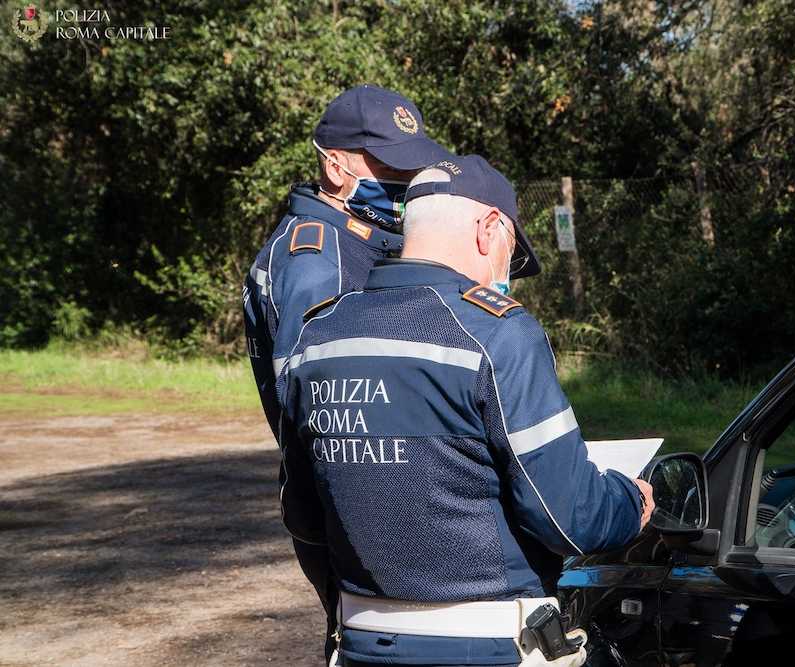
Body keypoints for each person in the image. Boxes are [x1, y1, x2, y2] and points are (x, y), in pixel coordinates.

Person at [276, 155, 656, 666]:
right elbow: (570, 520)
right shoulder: (498, 333)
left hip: (361, 644)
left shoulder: (316, 337)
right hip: (493, 644)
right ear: (489, 228)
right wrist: (631, 501)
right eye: (509, 255)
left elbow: (302, 515)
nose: (506, 274)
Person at [243, 84, 451, 661]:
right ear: (335, 168)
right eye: (386, 164)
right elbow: (325, 404)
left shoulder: (360, 241)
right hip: (351, 507)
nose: (405, 179)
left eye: (411, 164)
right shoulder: (318, 258)